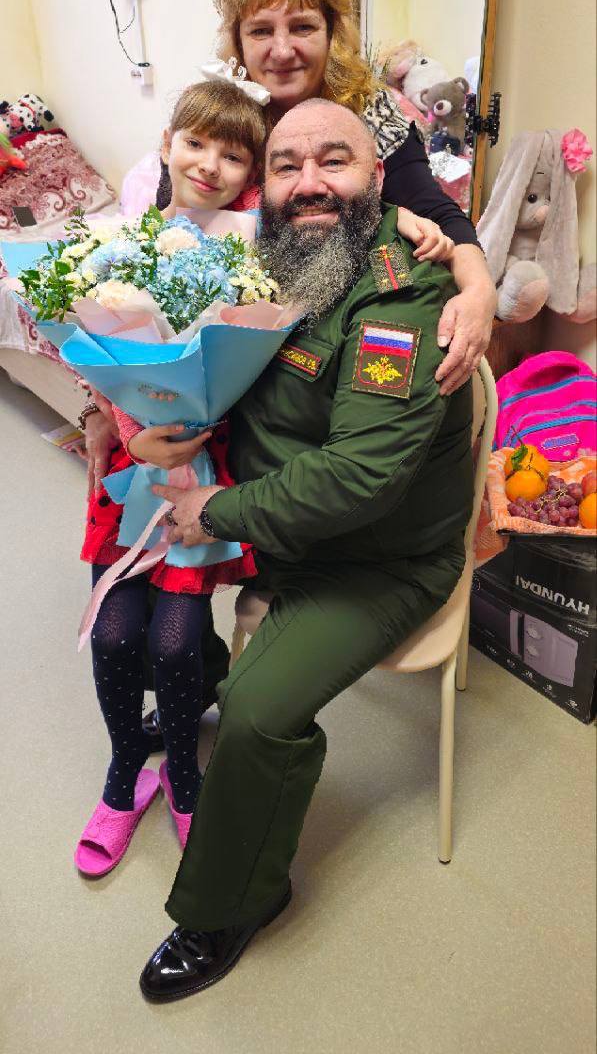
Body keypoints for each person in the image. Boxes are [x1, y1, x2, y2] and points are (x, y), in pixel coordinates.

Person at [83, 0, 496, 738]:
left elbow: (433, 212)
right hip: (216, 385)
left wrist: (476, 284)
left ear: (332, 31)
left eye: (302, 25)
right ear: (235, 39)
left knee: (248, 508)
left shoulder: (372, 116)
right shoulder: (221, 117)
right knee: (149, 572)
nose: (281, 49)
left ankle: (223, 662)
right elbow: (146, 274)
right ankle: (191, 677)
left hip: (308, 376)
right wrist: (113, 409)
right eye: (259, 29)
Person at [138, 99, 474, 1001]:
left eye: (336, 161)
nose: (309, 183)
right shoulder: (271, 258)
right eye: (286, 166)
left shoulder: (401, 298)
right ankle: (193, 686)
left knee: (257, 712)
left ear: (379, 179)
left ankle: (231, 903)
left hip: (373, 557)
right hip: (268, 516)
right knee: (144, 606)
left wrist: (217, 509)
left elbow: (361, 478)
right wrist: (134, 417)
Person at [74, 80, 269, 874]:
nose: (209, 165)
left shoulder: (248, 253)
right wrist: (127, 428)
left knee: (177, 640)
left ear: (250, 174)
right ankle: (127, 772)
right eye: (196, 143)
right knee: (115, 634)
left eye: (233, 155)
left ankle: (184, 776)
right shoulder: (120, 245)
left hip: (198, 475)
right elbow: (93, 352)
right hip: (129, 473)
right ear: (166, 145)